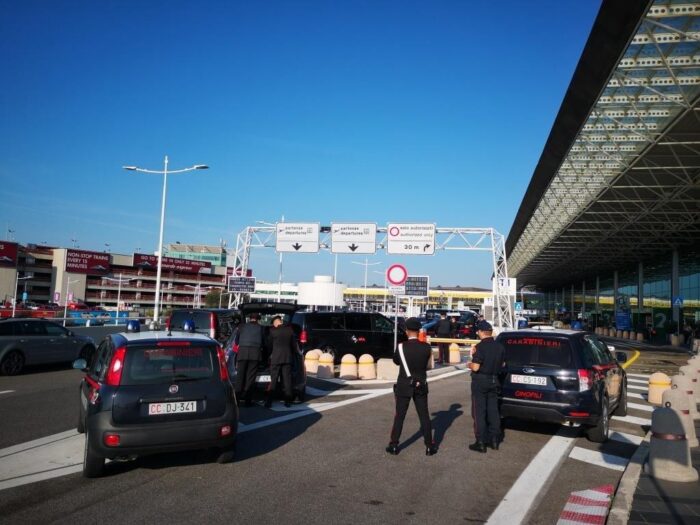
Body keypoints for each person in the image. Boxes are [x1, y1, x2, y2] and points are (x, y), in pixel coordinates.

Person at [386, 317, 438, 456]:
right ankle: (429, 446)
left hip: (404, 385)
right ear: (419, 330)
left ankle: (394, 445)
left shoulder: (401, 347)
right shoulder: (427, 347)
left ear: (407, 331)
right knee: (424, 417)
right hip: (421, 384)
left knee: (399, 416)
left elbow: (396, 361)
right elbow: (429, 366)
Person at [468, 320, 505, 453]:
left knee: (479, 412)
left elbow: (476, 367)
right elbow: (503, 364)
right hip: (495, 381)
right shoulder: (500, 347)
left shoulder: (480, 347)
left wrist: (469, 363)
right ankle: (495, 440)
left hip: (480, 381)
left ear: (480, 332)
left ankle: (481, 442)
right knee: (493, 411)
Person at [265, 316, 296, 408]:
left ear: (276, 323)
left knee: (273, 380)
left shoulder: (272, 331)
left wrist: (269, 355)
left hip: (276, 358)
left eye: (273, 323)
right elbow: (294, 346)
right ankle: (288, 401)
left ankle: (269, 402)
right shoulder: (290, 330)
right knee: (287, 380)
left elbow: (269, 346)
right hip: (287, 358)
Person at [235, 313, 265, 406]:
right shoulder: (261, 328)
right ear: (258, 319)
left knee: (240, 377)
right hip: (255, 355)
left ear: (250, 319)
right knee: (250, 378)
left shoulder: (241, 327)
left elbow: (236, 341)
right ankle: (248, 401)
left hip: (242, 353)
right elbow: (264, 342)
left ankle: (237, 400)